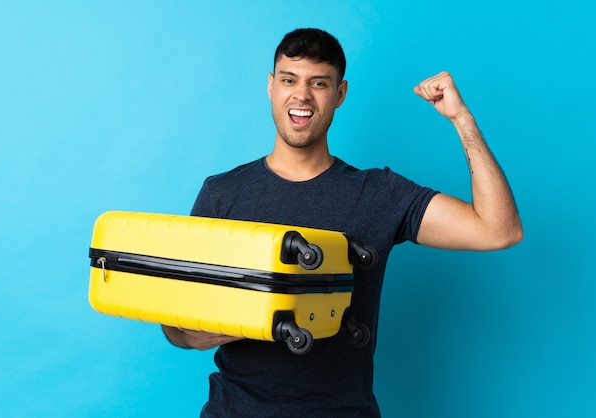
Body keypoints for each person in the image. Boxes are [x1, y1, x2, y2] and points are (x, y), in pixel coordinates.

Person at [162, 28, 522, 417]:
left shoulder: (379, 193)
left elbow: (498, 229)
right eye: (289, 80)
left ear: (340, 94)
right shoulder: (222, 194)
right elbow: (175, 322)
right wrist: (188, 334)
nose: (301, 95)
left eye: (319, 83)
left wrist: (461, 119)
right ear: (271, 87)